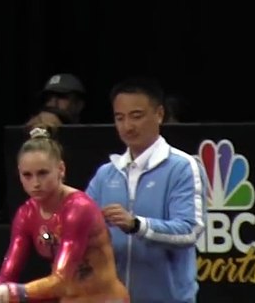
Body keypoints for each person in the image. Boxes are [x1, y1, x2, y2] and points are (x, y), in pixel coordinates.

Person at [0, 128, 127, 303]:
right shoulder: (26, 213)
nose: (35, 183)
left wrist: (2, 294)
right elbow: (7, 274)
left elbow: (61, 280)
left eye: (43, 173)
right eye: (27, 175)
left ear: (61, 169)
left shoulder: (78, 209)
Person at [85, 78, 202, 303]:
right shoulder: (105, 174)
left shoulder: (183, 167)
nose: (127, 126)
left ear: (159, 114)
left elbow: (190, 231)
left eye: (136, 116)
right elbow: (80, 228)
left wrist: (136, 225)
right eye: (120, 118)